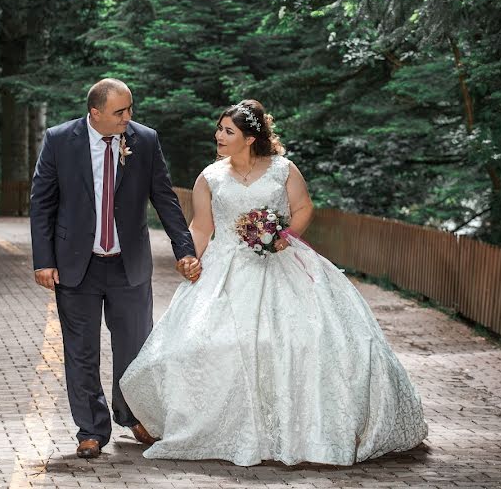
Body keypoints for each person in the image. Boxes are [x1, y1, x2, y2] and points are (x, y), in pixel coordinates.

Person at [120, 99, 428, 466]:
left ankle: (298, 428)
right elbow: (202, 226)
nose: (218, 135)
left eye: (227, 131)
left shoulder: (283, 170)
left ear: (249, 139)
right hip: (226, 268)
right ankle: (218, 425)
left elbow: (303, 209)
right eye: (219, 129)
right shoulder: (210, 176)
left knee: (305, 340)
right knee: (206, 344)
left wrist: (284, 236)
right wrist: (189, 256)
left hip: (282, 262)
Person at [30, 78, 202, 459]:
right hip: (78, 266)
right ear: (95, 113)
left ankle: (132, 414)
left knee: (135, 348)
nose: (129, 117)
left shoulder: (145, 140)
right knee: (81, 352)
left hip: (129, 265)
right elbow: (41, 202)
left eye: (130, 109)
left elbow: (165, 199)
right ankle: (91, 429)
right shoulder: (60, 140)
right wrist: (43, 260)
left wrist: (184, 250)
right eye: (120, 112)